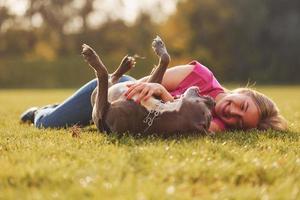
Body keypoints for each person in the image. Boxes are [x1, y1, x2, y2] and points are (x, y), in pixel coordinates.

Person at [20, 60, 288, 133]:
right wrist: (158, 88)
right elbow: (141, 85)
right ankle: (42, 111)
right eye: (243, 105)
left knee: (95, 123)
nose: (234, 113)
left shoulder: (215, 123)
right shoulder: (201, 75)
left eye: (240, 121)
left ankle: (64, 109)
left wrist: (165, 97)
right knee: (48, 124)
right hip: (120, 90)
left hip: (123, 117)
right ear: (243, 91)